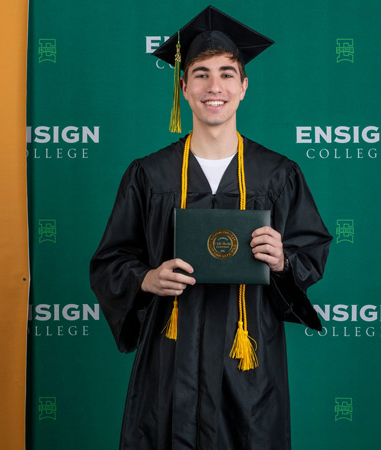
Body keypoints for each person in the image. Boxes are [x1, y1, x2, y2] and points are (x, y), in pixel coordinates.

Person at [90, 6, 331, 449]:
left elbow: (310, 252)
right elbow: (109, 261)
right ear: (183, 88)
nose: (213, 86)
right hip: (169, 364)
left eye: (226, 73)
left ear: (243, 86)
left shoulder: (278, 174)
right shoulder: (150, 174)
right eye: (200, 74)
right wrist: (146, 277)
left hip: (249, 368)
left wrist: (283, 260)